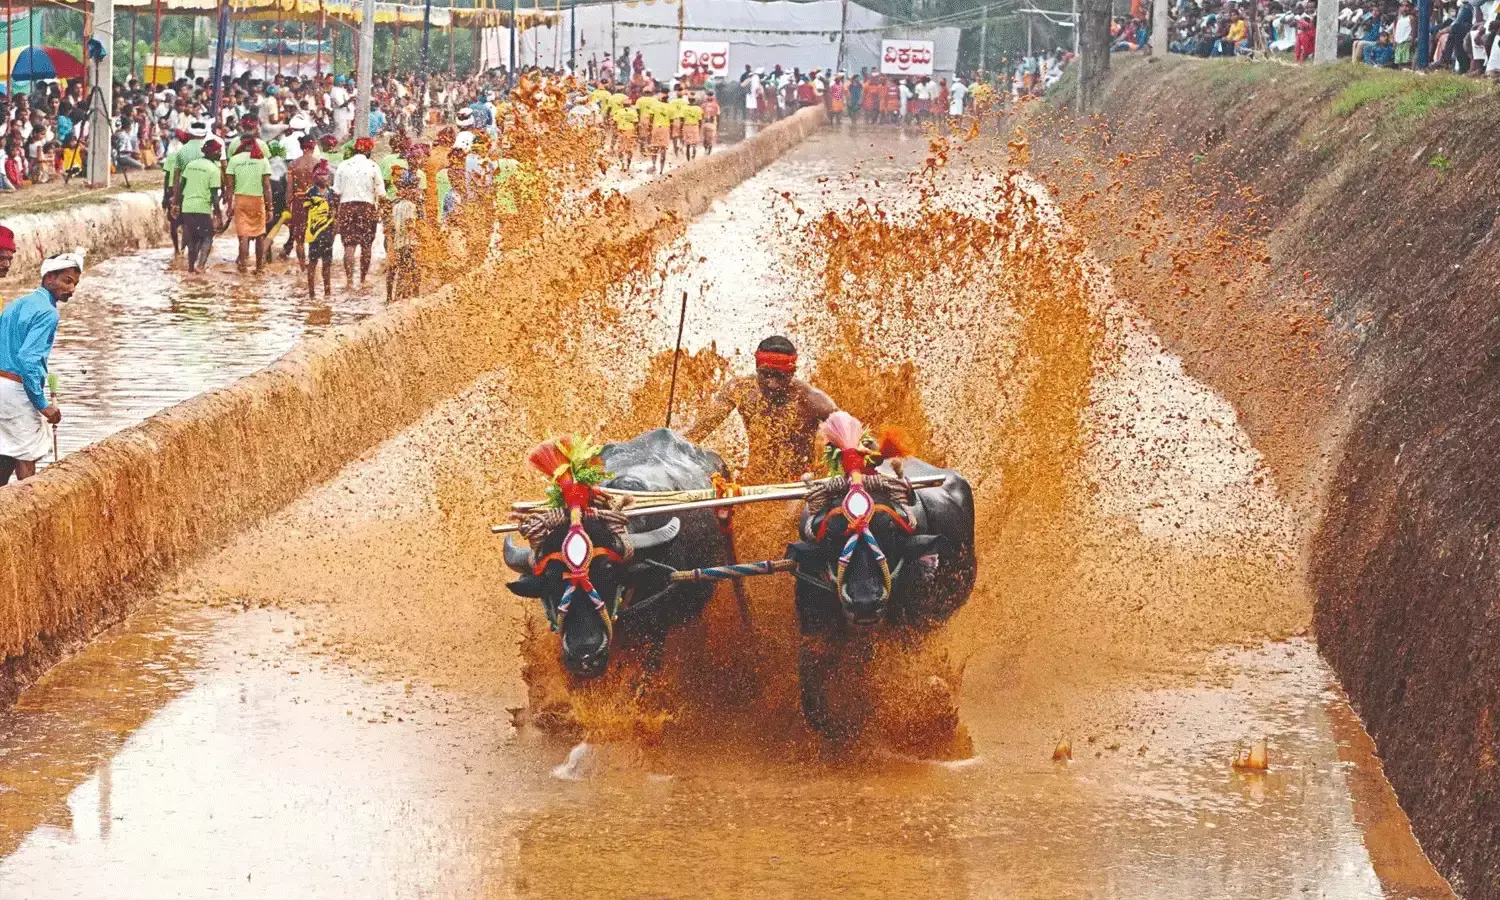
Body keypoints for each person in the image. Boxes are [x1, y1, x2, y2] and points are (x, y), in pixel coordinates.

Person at [682, 336, 839, 483]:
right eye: (765, 374)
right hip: (756, 483)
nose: (772, 384)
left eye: (780, 376)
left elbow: (848, 438)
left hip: (799, 485)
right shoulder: (740, 390)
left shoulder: (812, 400)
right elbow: (696, 434)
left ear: (792, 373)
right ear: (757, 368)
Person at [0, 249, 83, 484]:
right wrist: (42, 404)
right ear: (49, 278)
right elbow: (28, 359)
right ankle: (29, 501)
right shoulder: (48, 313)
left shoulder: (16, 304)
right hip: (16, 389)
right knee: (27, 454)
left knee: (5, 448)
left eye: (75, 284)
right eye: (67, 281)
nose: (71, 289)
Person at [332, 136, 383, 290]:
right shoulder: (373, 166)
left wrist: (335, 213)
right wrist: (381, 211)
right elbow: (381, 193)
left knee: (349, 245)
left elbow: (336, 192)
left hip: (346, 207)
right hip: (367, 207)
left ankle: (349, 281)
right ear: (369, 151)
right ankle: (362, 280)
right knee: (366, 246)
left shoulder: (343, 165)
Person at [225, 130, 273, 274]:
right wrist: (270, 207)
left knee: (243, 237)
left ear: (241, 143)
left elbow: (229, 186)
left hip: (240, 200)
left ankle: (243, 268)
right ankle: (259, 268)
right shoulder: (262, 160)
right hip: (257, 200)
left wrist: (229, 205)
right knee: (259, 235)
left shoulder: (234, 160)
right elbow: (267, 186)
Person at [174, 137, 224, 273]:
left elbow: (180, 186)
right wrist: (218, 214)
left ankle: (191, 268)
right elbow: (214, 195)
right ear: (212, 152)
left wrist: (176, 204)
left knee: (193, 239)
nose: (220, 154)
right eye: (218, 151)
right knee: (208, 237)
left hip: (187, 207)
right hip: (202, 207)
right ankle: (200, 266)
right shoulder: (214, 169)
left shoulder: (191, 165)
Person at [303, 159, 337, 300]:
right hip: (314, 233)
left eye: (326, 174)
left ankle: (327, 293)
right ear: (315, 177)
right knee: (312, 263)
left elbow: (335, 212)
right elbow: (305, 212)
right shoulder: (310, 193)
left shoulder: (332, 193)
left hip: (328, 233)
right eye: (321, 175)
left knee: (327, 264)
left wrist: (335, 230)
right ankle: (311, 294)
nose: (324, 177)